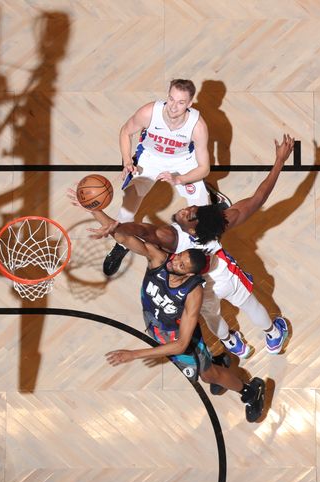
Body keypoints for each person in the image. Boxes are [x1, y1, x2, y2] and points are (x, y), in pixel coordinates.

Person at [91, 134, 295, 359]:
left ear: (191, 229)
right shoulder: (220, 224)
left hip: (194, 283)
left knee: (212, 316)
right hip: (222, 274)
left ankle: (233, 343)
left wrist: (114, 225)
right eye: (191, 210)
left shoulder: (171, 237)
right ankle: (273, 334)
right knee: (248, 303)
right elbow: (259, 197)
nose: (186, 209)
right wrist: (279, 162)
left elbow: (141, 231)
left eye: (189, 214)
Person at [76, 193, 268, 422]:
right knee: (207, 371)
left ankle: (249, 391)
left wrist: (134, 354)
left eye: (182, 263)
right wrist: (93, 208)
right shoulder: (159, 259)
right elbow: (125, 238)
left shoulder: (193, 293)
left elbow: (181, 345)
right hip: (159, 327)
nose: (175, 261)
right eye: (180, 256)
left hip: (179, 339)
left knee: (208, 376)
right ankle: (220, 360)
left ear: (189, 274)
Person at [104, 79, 212, 276]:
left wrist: (179, 179)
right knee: (127, 208)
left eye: (181, 102)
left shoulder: (197, 126)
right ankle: (121, 245)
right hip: (150, 159)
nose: (173, 106)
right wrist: (127, 161)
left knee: (204, 216)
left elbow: (204, 168)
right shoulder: (149, 112)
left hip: (182, 162)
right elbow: (126, 131)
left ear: (190, 104)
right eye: (171, 99)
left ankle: (196, 257)